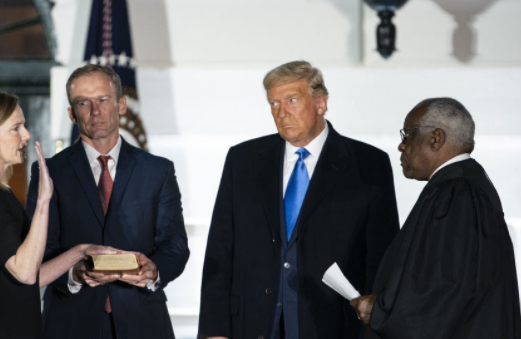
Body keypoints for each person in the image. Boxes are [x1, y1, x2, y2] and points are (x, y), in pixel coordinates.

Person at [198, 60, 400, 339]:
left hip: (332, 325)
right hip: (253, 323)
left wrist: (377, 328)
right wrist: (213, 331)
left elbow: (382, 256)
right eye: (274, 104)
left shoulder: (368, 164)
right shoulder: (243, 160)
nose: (281, 112)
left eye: (291, 100)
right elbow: (220, 251)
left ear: (321, 102)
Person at [26, 64, 190, 338]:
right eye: (83, 102)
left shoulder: (157, 170)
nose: (95, 111)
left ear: (121, 105)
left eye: (103, 100)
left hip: (144, 322)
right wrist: (74, 274)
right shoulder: (49, 171)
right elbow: (40, 250)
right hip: (69, 323)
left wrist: (154, 270)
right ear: (71, 113)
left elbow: (175, 245)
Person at [0, 90, 118, 339]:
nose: (26, 135)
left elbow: (31, 279)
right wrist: (43, 201)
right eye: (16, 128)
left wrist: (81, 251)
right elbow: (25, 272)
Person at [350, 97, 521, 338]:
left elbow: (445, 290)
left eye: (407, 135)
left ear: (436, 138)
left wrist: (380, 312)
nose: (401, 146)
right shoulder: (468, 185)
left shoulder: (457, 192)